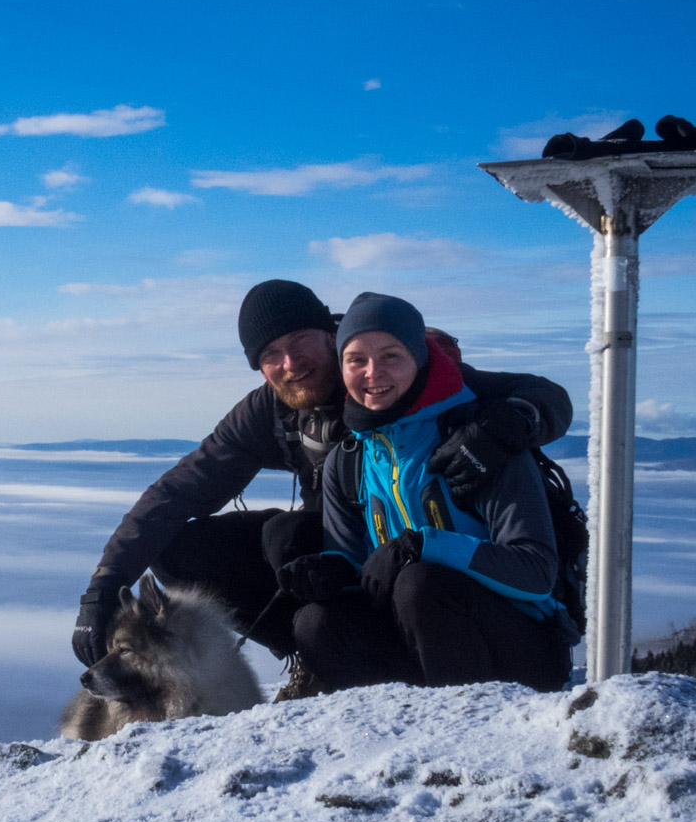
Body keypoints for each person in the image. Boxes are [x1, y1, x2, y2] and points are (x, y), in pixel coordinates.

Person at [71, 279, 573, 675]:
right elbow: (176, 494)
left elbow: (543, 394)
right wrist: (105, 587)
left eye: (300, 342)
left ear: (329, 334)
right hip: (358, 555)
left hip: (462, 576)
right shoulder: (271, 412)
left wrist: (510, 425)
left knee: (304, 542)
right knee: (187, 548)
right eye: (271, 355)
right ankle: (317, 657)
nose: (290, 364)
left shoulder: (409, 381)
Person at [279, 292, 576, 692]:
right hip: (421, 644)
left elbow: (536, 572)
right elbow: (362, 569)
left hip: (523, 649)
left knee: (420, 582)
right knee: (316, 623)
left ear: (419, 358)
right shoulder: (347, 460)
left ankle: (475, 735)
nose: (372, 373)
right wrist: (332, 572)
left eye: (391, 356)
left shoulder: (478, 440)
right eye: (356, 360)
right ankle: (388, 738)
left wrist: (423, 546)